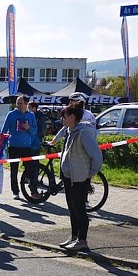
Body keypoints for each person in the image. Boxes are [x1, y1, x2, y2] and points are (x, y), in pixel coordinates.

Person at [57, 103, 103, 251]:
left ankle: (82, 240)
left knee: (79, 210)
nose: (62, 119)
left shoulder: (83, 133)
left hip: (79, 178)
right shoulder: (70, 131)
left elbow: (96, 156)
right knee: (72, 209)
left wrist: (88, 174)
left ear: (72, 117)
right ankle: (74, 237)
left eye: (64, 116)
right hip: (69, 177)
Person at [1, 95, 39, 200]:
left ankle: (33, 191)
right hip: (14, 146)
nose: (18, 105)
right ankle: (15, 191)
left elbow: (35, 131)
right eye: (17, 103)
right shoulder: (11, 114)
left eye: (20, 103)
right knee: (14, 170)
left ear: (26, 104)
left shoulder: (31, 115)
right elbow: (4, 130)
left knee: (31, 169)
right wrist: (2, 145)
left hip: (27, 146)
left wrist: (28, 128)